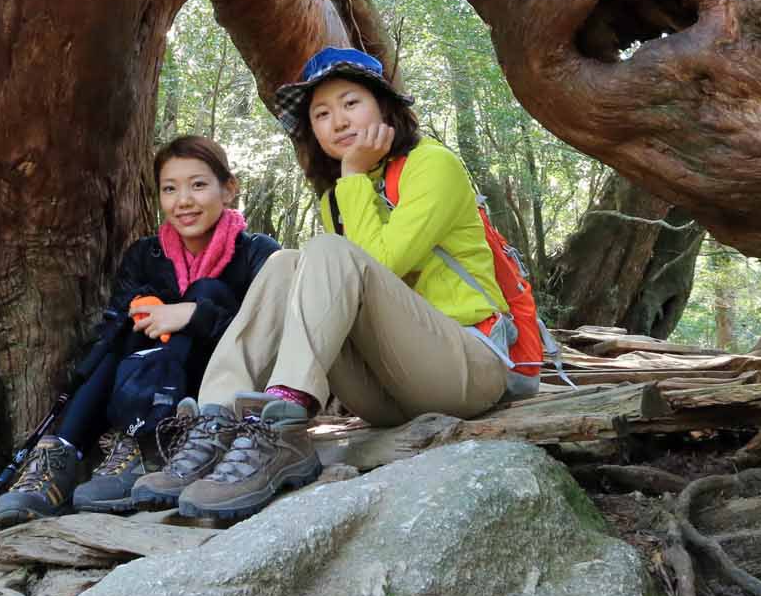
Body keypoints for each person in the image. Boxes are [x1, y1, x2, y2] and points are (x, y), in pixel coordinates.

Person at [129, 47, 515, 521]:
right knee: (285, 262)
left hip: (467, 368)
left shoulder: (431, 164)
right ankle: (216, 418)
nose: (337, 122)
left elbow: (384, 262)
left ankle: (286, 421)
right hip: (389, 393)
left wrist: (352, 174)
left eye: (350, 103)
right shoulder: (336, 200)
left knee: (328, 251)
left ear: (385, 107)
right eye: (322, 113)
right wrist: (349, 185)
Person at [0, 135, 280, 527]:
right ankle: (60, 454)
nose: (183, 201)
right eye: (169, 188)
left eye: (198, 185)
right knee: (123, 327)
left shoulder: (257, 253)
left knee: (206, 292)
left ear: (228, 188)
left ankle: (149, 445)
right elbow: (115, 332)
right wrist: (147, 315)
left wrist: (193, 315)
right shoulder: (146, 256)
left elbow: (266, 336)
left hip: (216, 390)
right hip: (144, 380)